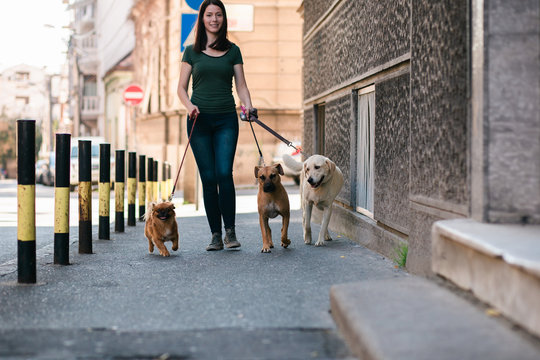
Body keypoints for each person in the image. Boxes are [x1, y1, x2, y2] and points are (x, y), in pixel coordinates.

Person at [177, 0, 256, 251]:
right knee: (209, 178)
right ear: (202, 19)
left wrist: (248, 106)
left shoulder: (233, 51)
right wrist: (189, 106)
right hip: (198, 120)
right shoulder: (191, 51)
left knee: (224, 173)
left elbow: (241, 85)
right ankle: (214, 234)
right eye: (209, 15)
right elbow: (180, 88)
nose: (214, 19)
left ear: (223, 19)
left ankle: (230, 232)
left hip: (225, 119)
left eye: (218, 15)